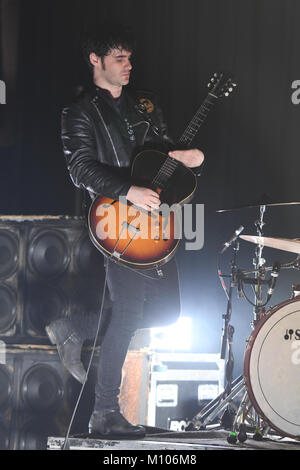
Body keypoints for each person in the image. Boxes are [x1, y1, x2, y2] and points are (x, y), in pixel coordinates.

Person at [46, 24, 204, 438]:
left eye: (130, 58)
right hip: (115, 219)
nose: (128, 65)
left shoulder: (146, 105)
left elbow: (162, 157)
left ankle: (76, 327)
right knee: (131, 312)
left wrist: (188, 157)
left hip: (155, 222)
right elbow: (80, 167)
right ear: (95, 61)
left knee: (169, 312)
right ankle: (103, 412)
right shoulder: (79, 112)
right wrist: (128, 189)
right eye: (119, 58)